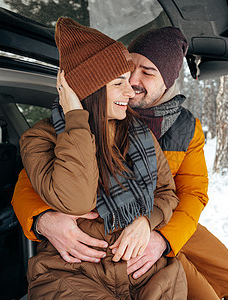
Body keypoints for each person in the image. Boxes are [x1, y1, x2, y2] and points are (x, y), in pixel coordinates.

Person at [13, 26, 228, 299]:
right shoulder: (83, 122)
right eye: (128, 68)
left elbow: (191, 193)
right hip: (110, 239)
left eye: (148, 72)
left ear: (166, 81)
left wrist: (162, 238)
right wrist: (42, 219)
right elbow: (31, 182)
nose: (132, 80)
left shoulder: (185, 127)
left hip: (169, 222)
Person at [18, 17, 186, 299]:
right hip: (71, 275)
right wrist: (76, 118)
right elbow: (77, 200)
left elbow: (167, 193)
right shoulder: (40, 139)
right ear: (90, 88)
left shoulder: (138, 133)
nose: (130, 90)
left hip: (146, 270)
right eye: (118, 82)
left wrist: (146, 221)